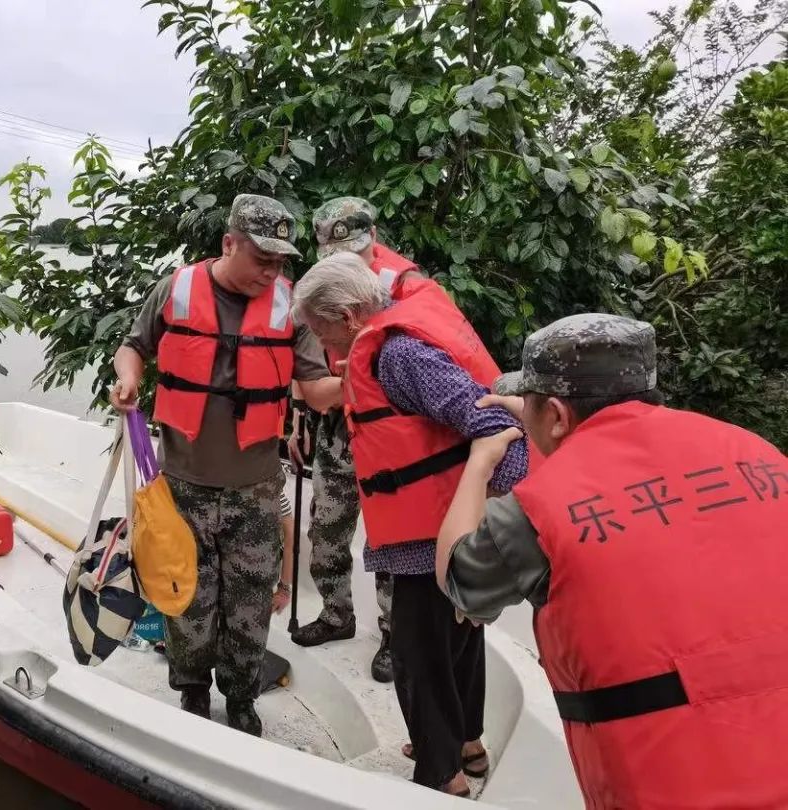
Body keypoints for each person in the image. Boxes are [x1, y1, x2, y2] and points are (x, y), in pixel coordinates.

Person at [436, 313, 788, 809]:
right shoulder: (758, 453)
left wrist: (479, 465)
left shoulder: (538, 511)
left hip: (668, 785)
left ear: (556, 414)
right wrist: (540, 416)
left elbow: (460, 578)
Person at [291, 252, 528, 796]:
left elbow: (487, 414)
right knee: (459, 641)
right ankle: (466, 745)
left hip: (435, 534)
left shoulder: (397, 356)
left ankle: (440, 777)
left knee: (416, 656)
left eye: (319, 328)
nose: (319, 343)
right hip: (441, 525)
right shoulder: (385, 348)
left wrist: (512, 504)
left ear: (349, 316)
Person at [110, 194, 341, 738]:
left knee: (250, 606)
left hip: (256, 491)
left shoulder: (290, 307)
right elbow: (132, 346)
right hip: (183, 486)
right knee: (186, 599)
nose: (271, 270)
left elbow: (315, 389)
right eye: (261, 257)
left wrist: (356, 380)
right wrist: (129, 377)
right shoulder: (176, 289)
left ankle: (240, 699)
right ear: (228, 243)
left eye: (280, 261)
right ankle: (192, 692)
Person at [287, 197, 450, 681]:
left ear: (373, 237)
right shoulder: (325, 287)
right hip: (338, 422)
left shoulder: (410, 288)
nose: (347, 259)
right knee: (327, 526)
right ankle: (337, 614)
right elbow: (307, 359)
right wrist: (299, 410)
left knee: (390, 534)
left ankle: (393, 634)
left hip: (391, 428)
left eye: (355, 249)